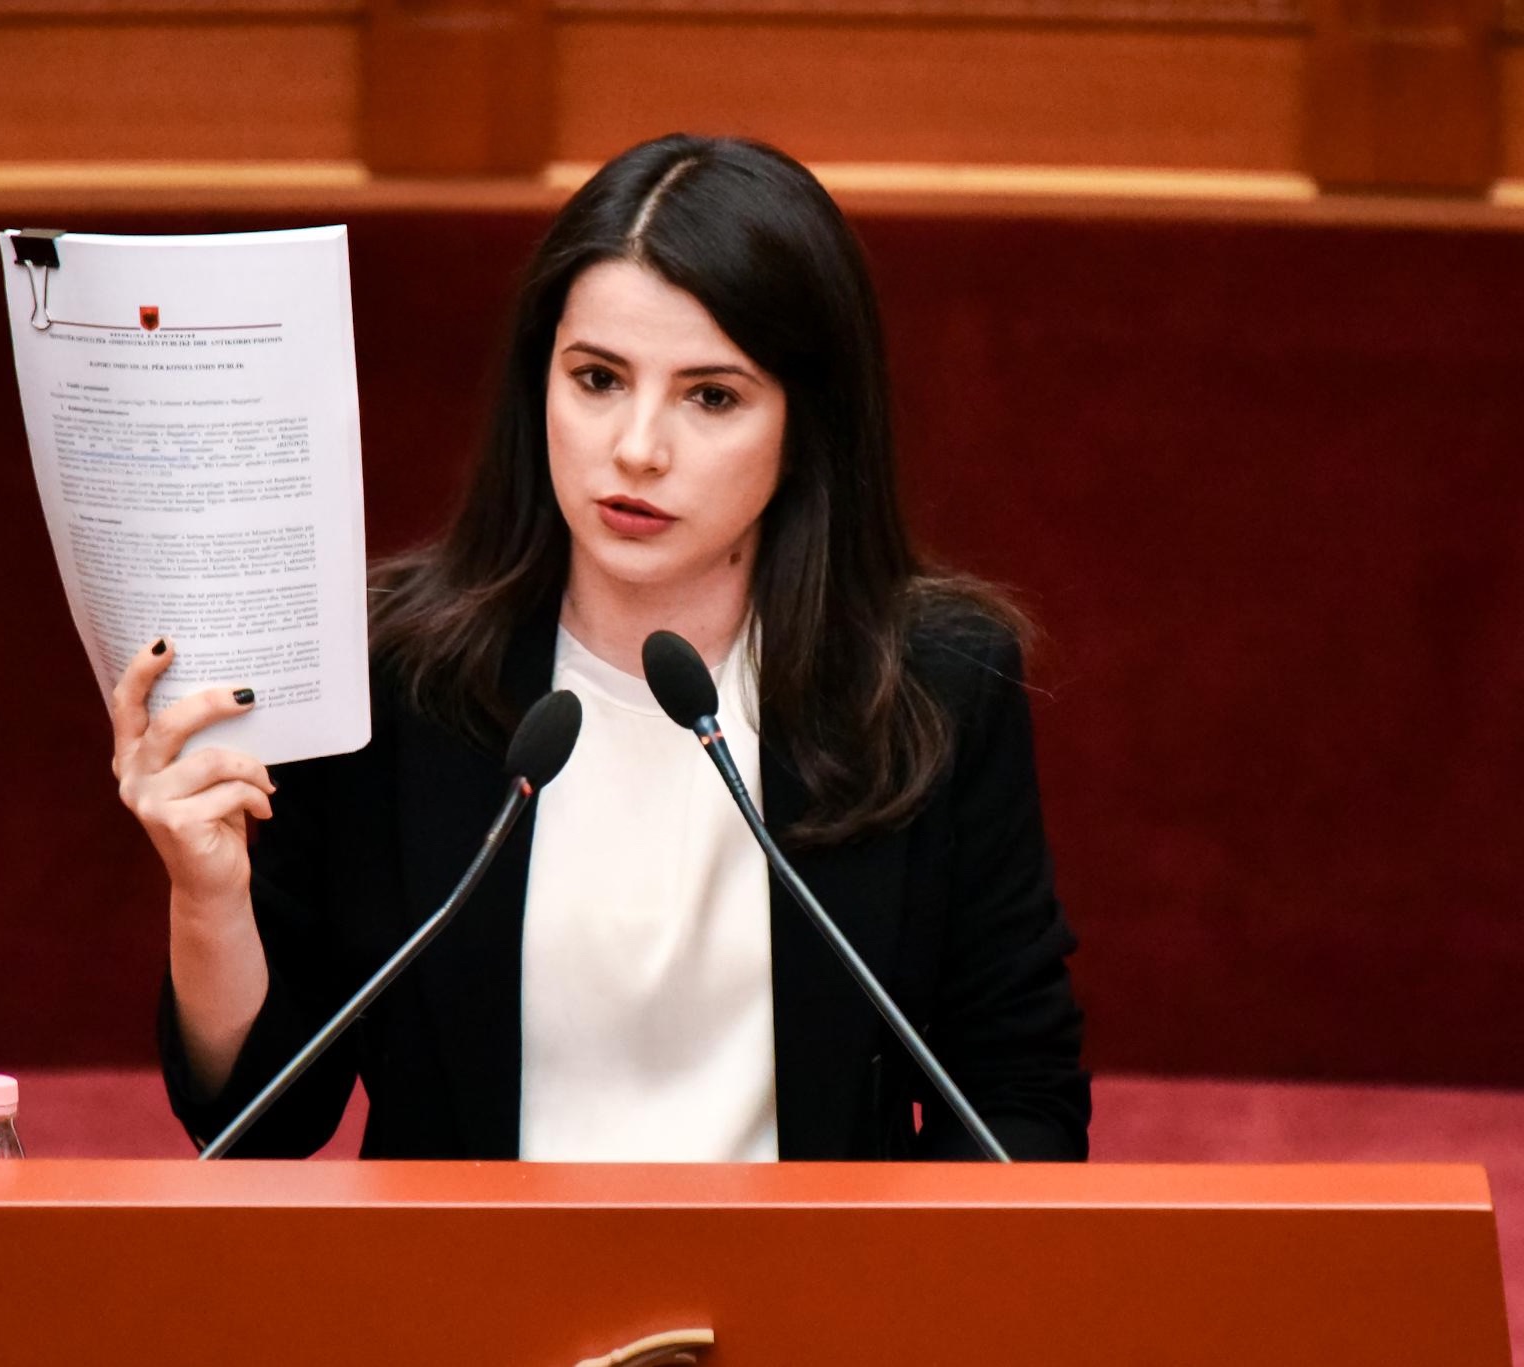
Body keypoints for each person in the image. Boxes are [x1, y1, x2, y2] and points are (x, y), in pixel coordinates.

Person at [111, 133, 1089, 1161]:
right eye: (597, 378)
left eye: (711, 396)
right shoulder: (393, 676)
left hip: (809, 1267)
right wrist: (207, 898)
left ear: (807, 424)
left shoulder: (930, 682)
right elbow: (259, 1124)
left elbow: (1018, 1101)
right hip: (471, 1264)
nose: (636, 449)